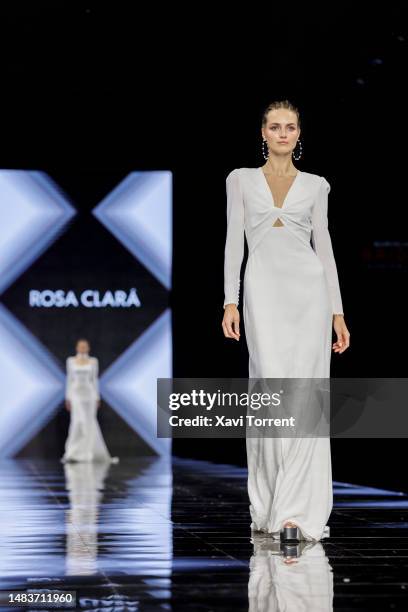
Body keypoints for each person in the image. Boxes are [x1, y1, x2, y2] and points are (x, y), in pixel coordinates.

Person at [221, 100, 350, 543]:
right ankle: (270, 501)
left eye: (289, 127)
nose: (282, 133)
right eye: (274, 127)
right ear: (263, 132)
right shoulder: (240, 180)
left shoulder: (316, 185)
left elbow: (326, 249)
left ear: (298, 134)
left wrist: (337, 311)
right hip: (262, 292)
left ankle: (297, 510)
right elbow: (232, 241)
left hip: (308, 294)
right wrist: (229, 300)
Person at [62, 338, 119, 463]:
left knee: (89, 423)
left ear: (88, 348)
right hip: (76, 394)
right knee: (78, 422)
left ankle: (88, 453)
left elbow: (94, 380)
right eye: (80, 346)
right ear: (77, 348)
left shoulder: (93, 361)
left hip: (89, 395)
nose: (82, 348)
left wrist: (97, 397)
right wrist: (68, 398)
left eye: (85, 346)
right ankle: (73, 452)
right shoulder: (71, 361)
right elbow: (69, 380)